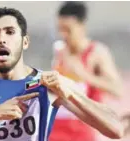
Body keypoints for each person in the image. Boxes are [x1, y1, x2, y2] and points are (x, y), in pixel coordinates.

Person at [0, 7, 124, 141]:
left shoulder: (46, 84)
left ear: (25, 42)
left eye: (10, 32)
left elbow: (115, 129)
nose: (1, 39)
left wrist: (72, 93)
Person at [49, 2, 124, 141]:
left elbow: (117, 89)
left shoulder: (96, 52)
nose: (63, 35)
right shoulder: (60, 51)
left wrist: (84, 75)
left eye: (68, 29)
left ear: (81, 26)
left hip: (81, 130)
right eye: (60, 29)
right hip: (55, 129)